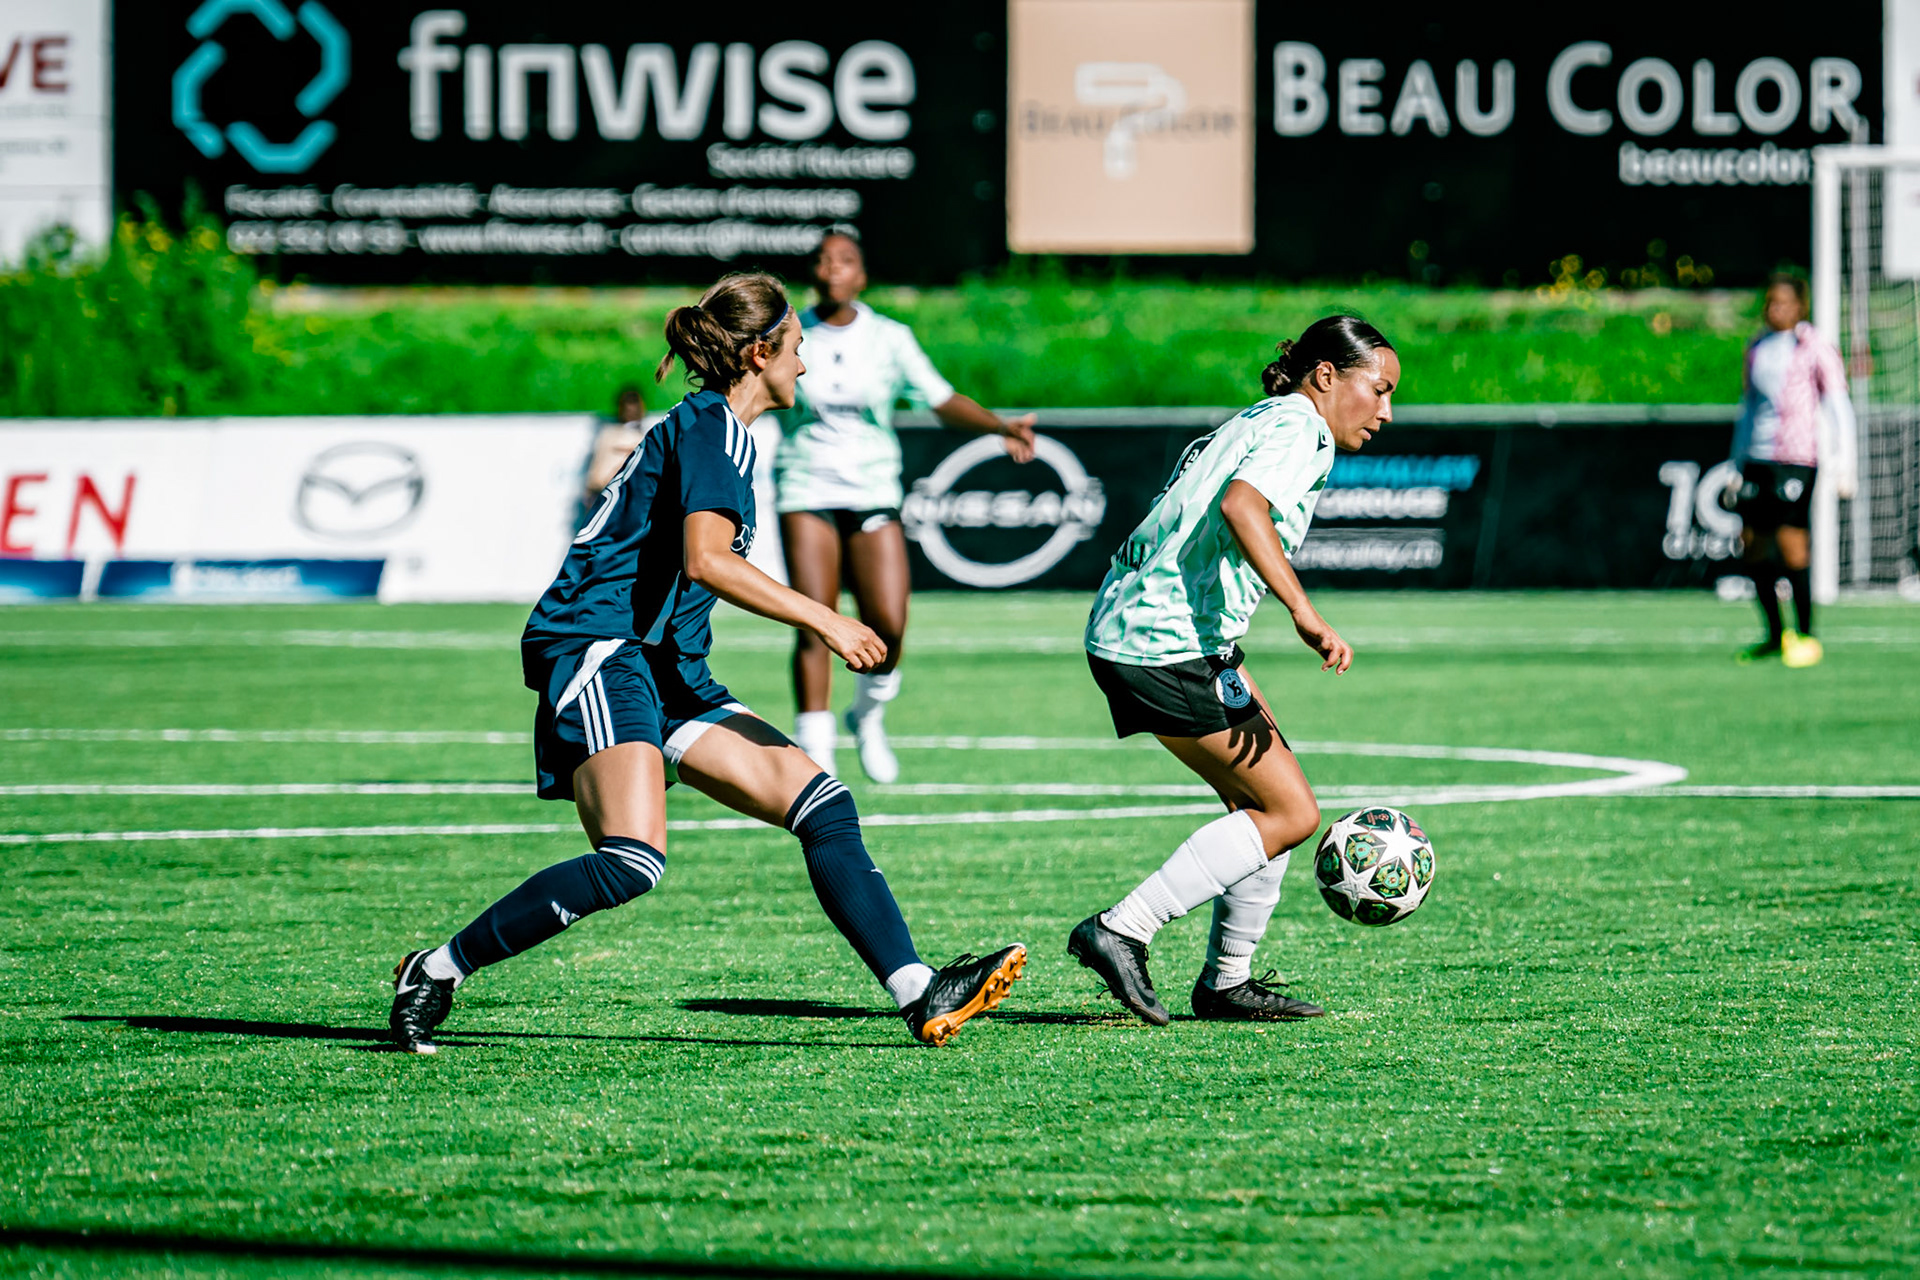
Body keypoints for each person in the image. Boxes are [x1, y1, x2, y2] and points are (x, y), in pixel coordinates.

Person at [388, 272, 1026, 1054]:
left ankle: (919, 991)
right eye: (797, 350)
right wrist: (825, 617)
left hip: (667, 667)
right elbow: (707, 561)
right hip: (600, 644)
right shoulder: (713, 428)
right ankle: (437, 969)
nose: (806, 367)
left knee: (821, 804)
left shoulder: (722, 431)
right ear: (760, 353)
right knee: (631, 860)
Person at [1067, 316, 1398, 1026]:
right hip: (1164, 640)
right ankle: (1124, 928)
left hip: (1157, 632)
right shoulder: (1301, 429)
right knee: (1290, 813)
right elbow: (1242, 506)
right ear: (1327, 376)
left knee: (1271, 797)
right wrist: (1306, 614)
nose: (1386, 411)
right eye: (1380, 389)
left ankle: (1226, 981)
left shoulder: (1265, 416)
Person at [775, 228, 1038, 783]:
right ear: (813, 272)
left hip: (872, 491)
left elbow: (940, 399)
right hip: (806, 489)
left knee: (889, 624)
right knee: (814, 622)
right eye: (823, 261)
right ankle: (816, 754)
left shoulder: (890, 337)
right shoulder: (788, 332)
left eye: (845, 260)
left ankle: (867, 716)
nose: (833, 269)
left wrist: (999, 425)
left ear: (861, 275)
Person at [1727, 272, 1858, 668]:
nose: (1775, 310)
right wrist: (1736, 463)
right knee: (1751, 544)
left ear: (1800, 306)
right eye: (1770, 302)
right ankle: (1773, 633)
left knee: (1791, 544)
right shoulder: (1757, 348)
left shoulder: (1815, 346)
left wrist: (1844, 463)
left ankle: (1805, 635)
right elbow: (1748, 408)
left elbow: (1838, 406)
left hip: (1798, 459)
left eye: (1783, 303)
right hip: (1757, 459)